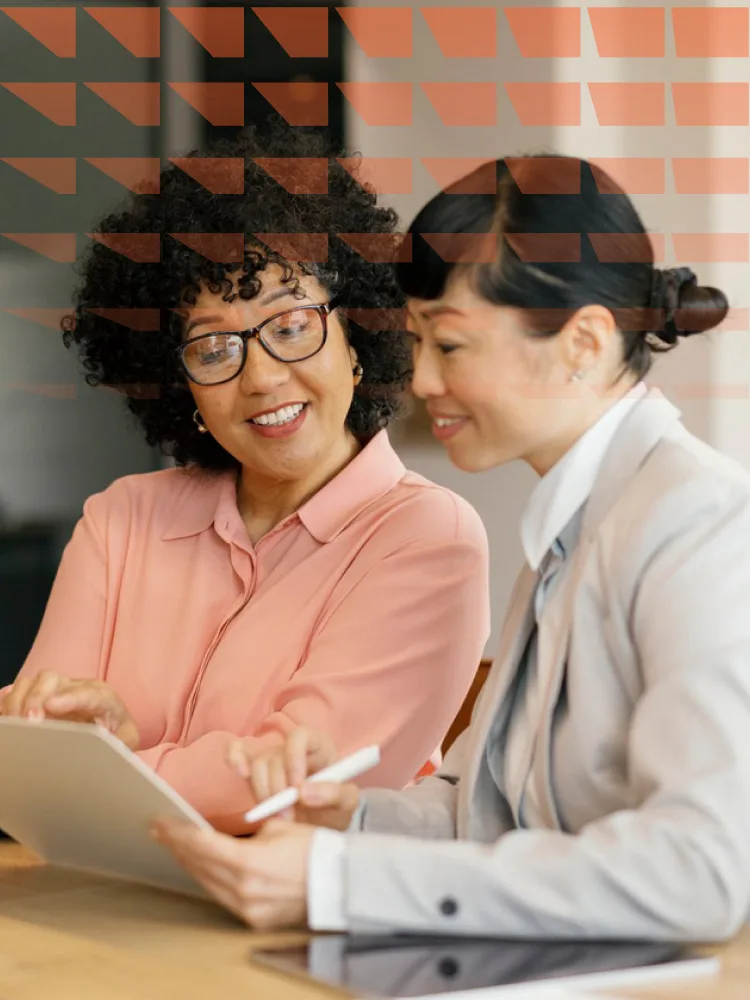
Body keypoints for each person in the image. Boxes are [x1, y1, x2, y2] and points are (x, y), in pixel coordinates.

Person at [155, 153, 750, 941]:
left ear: (584, 342)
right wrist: (350, 819)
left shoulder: (699, 524)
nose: (422, 379)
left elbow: (700, 869)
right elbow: (488, 810)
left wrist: (344, 879)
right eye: (417, 341)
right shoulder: (573, 524)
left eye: (450, 345)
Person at [0, 121, 490, 832]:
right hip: (91, 907)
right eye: (213, 346)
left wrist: (116, 757)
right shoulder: (122, 518)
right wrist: (65, 762)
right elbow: (34, 760)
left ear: (357, 336)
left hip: (290, 919)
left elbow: (299, 792)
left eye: (291, 326)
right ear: (181, 385)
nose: (260, 378)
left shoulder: (424, 537)